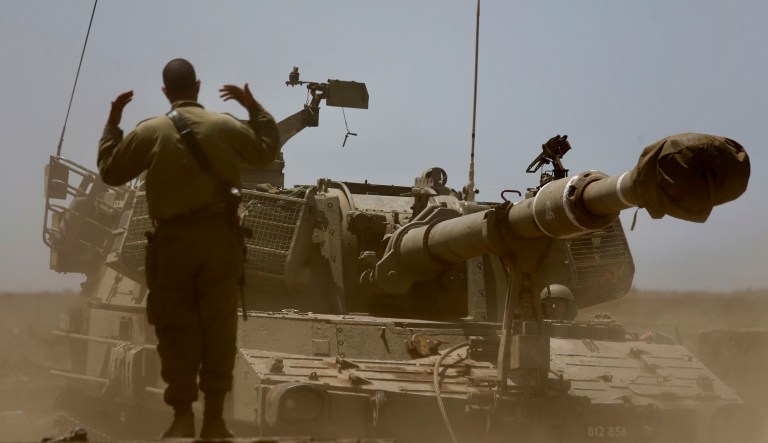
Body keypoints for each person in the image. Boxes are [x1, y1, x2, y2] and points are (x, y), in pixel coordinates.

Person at [98, 58, 279, 439]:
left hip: (172, 244)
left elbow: (111, 172)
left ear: (166, 92)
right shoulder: (225, 124)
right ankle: (214, 420)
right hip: (218, 242)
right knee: (219, 329)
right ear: (197, 86)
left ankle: (182, 416)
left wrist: (113, 122)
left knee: (175, 329)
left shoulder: (150, 131)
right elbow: (265, 151)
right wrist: (252, 106)